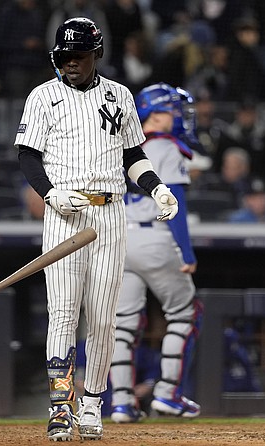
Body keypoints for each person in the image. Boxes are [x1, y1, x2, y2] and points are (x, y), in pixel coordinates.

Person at [14, 17, 179, 441]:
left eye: (78, 56)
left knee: (104, 319)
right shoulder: (43, 96)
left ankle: (91, 404)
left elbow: (133, 155)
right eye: (64, 56)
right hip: (65, 213)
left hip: (109, 214)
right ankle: (59, 407)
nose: (70, 62)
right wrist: (50, 194)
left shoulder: (119, 95)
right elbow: (29, 157)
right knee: (63, 314)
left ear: (96, 55)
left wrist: (156, 187)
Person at [109, 83, 202, 423]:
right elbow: (173, 203)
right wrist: (187, 254)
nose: (178, 117)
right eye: (173, 111)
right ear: (157, 115)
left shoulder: (120, 144)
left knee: (122, 326)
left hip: (119, 240)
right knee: (185, 315)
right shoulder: (165, 146)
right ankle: (167, 394)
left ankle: (121, 404)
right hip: (156, 238)